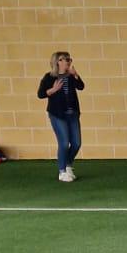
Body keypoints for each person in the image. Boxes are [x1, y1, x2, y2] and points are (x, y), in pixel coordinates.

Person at [36, 51, 85, 183]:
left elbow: (81, 86)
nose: (68, 62)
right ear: (57, 62)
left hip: (72, 114)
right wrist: (53, 90)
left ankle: (68, 165)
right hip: (57, 115)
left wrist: (76, 75)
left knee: (76, 143)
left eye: (69, 59)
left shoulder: (70, 76)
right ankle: (62, 171)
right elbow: (40, 94)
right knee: (64, 143)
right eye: (65, 59)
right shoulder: (49, 77)